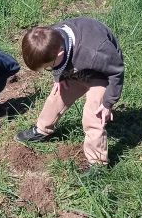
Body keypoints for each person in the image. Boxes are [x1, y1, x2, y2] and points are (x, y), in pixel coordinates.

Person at [15, 17, 124, 168]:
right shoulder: (52, 35)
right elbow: (55, 62)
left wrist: (108, 103)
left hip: (102, 75)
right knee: (56, 96)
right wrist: (58, 76)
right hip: (75, 68)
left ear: (59, 54)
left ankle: (98, 163)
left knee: (93, 117)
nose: (48, 70)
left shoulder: (95, 51)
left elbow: (116, 72)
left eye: (47, 67)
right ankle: (41, 130)